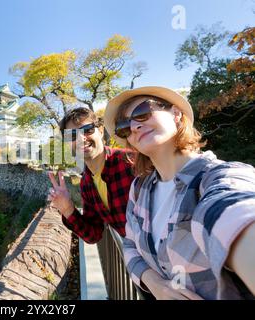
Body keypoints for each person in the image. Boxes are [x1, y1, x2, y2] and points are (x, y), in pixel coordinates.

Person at [104, 86, 255, 299]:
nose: (135, 126)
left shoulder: (217, 177)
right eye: (124, 126)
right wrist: (154, 283)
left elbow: (232, 209)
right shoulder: (139, 189)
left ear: (176, 114)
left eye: (142, 112)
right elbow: (129, 243)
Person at [47, 107, 134, 242]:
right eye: (72, 136)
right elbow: (93, 235)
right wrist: (68, 210)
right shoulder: (87, 183)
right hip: (141, 258)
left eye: (87, 130)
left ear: (100, 131)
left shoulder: (129, 161)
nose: (81, 139)